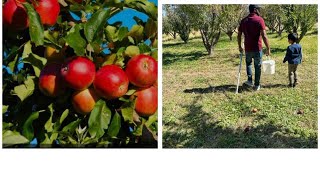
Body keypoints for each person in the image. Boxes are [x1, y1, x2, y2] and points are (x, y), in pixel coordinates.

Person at [238, 4, 271, 91]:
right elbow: (264, 35)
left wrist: (240, 46)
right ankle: (256, 85)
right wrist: (268, 48)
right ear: (255, 10)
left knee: (248, 64)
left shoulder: (244, 20)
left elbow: (239, 34)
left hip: (248, 48)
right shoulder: (259, 20)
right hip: (257, 48)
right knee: (257, 66)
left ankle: (249, 80)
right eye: (258, 9)